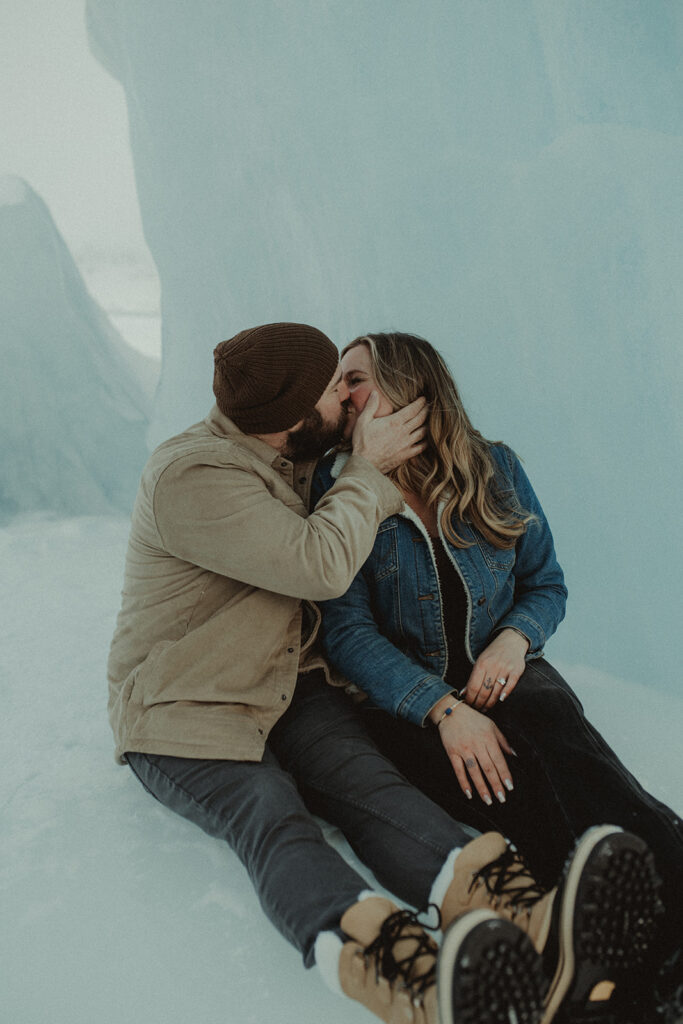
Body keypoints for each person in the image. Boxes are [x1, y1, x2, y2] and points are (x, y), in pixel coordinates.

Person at [109, 322, 660, 1024]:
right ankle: (407, 977)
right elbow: (317, 563)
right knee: (269, 815)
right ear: (291, 417)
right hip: (188, 707)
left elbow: (532, 576)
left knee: (375, 791)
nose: (346, 400)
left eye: (349, 382)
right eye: (332, 390)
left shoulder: (301, 458)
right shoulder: (193, 474)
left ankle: (524, 914)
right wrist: (368, 469)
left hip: (291, 689)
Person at [314, 331, 683, 1023]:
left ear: (406, 388)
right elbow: (346, 633)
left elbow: (545, 583)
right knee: (508, 787)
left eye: (355, 379)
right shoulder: (338, 491)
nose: (342, 395)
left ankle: (666, 909)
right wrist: (442, 710)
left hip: (502, 667)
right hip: (411, 696)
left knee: (560, 739)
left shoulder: (494, 467)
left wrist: (513, 644)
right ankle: (609, 969)